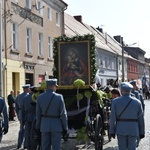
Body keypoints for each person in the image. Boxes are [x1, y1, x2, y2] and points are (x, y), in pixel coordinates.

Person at [109, 82, 145, 150]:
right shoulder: (137, 102)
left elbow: (112, 118)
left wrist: (112, 131)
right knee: (132, 148)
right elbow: (141, 119)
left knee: (122, 148)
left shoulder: (115, 102)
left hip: (121, 129)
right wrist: (142, 132)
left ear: (122, 90)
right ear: (130, 91)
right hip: (133, 129)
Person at [36, 79, 68, 150]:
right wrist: (65, 127)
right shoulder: (59, 97)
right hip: (56, 125)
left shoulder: (40, 97)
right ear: (53, 86)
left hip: (44, 125)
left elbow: (38, 114)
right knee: (56, 147)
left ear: (47, 86)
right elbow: (63, 114)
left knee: (45, 147)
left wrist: (37, 127)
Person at [15, 84, 30, 149]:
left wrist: (18, 114)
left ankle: (19, 143)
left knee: (21, 129)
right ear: (27, 89)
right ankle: (26, 144)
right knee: (27, 129)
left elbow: (16, 107)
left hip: (20, 112)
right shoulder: (28, 96)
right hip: (27, 113)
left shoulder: (19, 96)